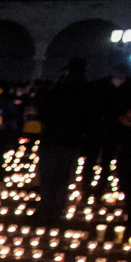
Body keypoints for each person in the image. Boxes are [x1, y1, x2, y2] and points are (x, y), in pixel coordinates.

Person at [36, 59, 90, 224]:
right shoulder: (86, 90)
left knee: (48, 175)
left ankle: (46, 206)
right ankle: (58, 207)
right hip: (71, 140)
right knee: (63, 176)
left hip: (53, 138)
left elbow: (44, 108)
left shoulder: (60, 88)